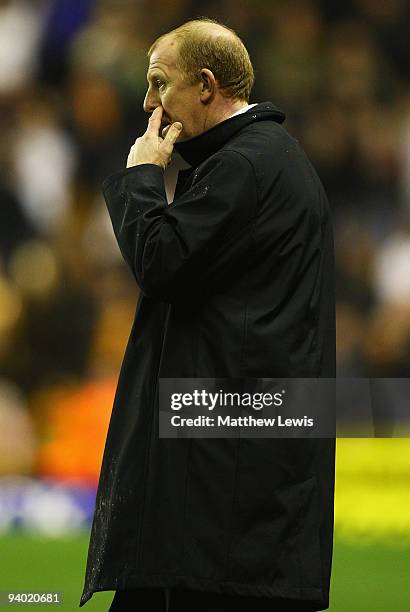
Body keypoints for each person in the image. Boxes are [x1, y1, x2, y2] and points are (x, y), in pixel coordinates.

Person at [79, 18, 336, 612]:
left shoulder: (246, 165)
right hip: (237, 468)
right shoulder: (269, 158)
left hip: (223, 493)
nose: (148, 103)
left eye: (158, 84)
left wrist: (142, 177)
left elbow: (160, 261)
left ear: (205, 85)